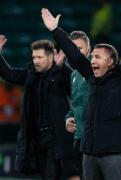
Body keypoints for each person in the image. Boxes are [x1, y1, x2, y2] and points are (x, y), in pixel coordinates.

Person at [41, 8, 121, 180]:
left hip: (114, 152)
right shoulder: (90, 77)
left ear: (110, 61)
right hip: (89, 151)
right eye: (93, 57)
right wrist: (55, 31)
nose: (93, 60)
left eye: (97, 57)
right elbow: (75, 56)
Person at [0, 35, 72, 179]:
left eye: (40, 57)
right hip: (37, 138)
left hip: (56, 137)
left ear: (51, 56)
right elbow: (9, 75)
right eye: (34, 57)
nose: (36, 61)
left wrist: (62, 66)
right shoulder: (30, 75)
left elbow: (72, 84)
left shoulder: (60, 74)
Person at [64, 31, 91, 177]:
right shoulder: (74, 74)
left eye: (79, 48)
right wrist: (68, 118)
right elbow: (75, 104)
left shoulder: (95, 70)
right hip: (79, 138)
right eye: (72, 49)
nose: (76, 53)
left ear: (88, 50)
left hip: (93, 137)